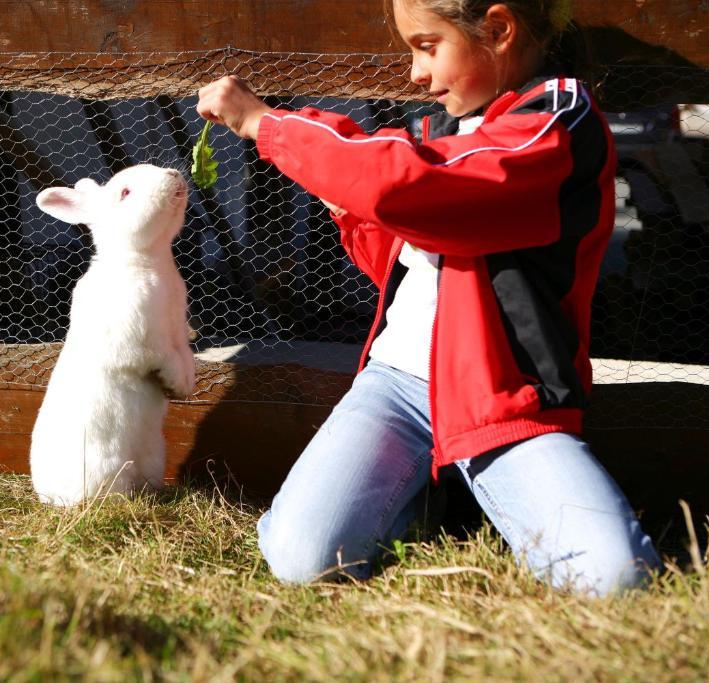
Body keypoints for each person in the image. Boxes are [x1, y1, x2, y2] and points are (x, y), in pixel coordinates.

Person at [196, 0, 662, 596]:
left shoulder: (557, 121)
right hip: (397, 385)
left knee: (612, 580)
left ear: (498, 29)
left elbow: (410, 185)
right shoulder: (437, 130)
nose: (416, 73)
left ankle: (442, 492)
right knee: (301, 556)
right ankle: (426, 500)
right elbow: (393, 238)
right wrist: (353, 205)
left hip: (502, 399)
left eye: (427, 45)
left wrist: (267, 125)